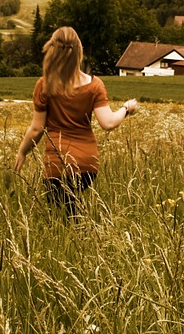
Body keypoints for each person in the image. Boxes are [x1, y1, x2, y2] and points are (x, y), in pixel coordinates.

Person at [14, 26, 138, 215]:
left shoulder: (45, 85)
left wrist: (22, 152)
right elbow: (108, 123)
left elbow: (37, 129)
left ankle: (83, 235)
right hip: (87, 166)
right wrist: (126, 108)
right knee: (69, 212)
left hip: (57, 165)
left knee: (59, 218)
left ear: (52, 50)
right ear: (79, 51)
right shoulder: (94, 85)